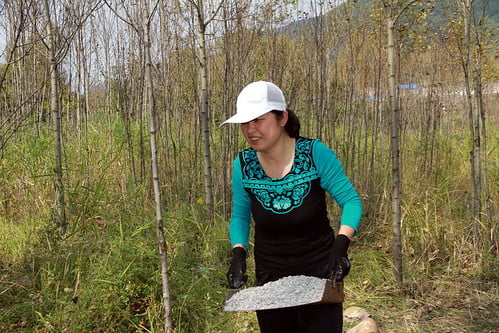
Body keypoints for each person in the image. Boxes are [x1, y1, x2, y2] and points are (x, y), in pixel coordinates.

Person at [221, 81, 362, 333]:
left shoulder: (314, 154)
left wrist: (341, 244)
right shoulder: (243, 164)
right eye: (245, 123)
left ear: (282, 117)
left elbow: (351, 201)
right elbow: (240, 216)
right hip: (270, 278)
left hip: (320, 275)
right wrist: (238, 252)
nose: (250, 129)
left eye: (259, 120)